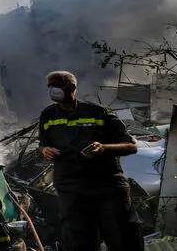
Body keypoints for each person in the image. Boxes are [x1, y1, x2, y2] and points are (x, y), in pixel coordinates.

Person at [38, 71, 143, 251]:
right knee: (79, 244)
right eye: (50, 87)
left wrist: (103, 148)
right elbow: (43, 144)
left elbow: (131, 146)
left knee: (123, 240)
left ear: (72, 88)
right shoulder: (48, 116)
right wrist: (45, 150)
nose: (53, 91)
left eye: (58, 86)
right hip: (71, 191)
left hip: (107, 189)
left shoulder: (98, 112)